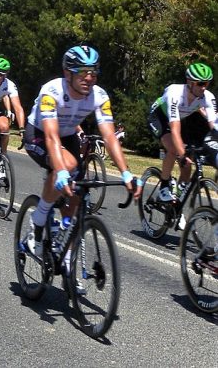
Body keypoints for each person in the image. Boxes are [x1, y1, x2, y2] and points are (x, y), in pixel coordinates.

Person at [23, 45, 139, 258]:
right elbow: (50, 136)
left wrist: (126, 173)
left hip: (67, 136)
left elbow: (110, 137)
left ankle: (64, 249)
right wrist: (61, 170)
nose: (89, 77)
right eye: (83, 72)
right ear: (68, 73)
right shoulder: (52, 91)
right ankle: (38, 220)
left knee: (78, 192)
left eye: (93, 72)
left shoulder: (99, 96)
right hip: (39, 133)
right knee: (66, 166)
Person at [148, 62, 216, 202]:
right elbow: (174, 129)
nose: (204, 88)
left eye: (207, 84)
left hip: (179, 119)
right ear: (189, 82)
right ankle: (164, 187)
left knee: (187, 167)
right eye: (200, 83)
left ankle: (177, 202)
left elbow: (214, 124)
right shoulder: (175, 93)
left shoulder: (207, 97)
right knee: (174, 150)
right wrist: (182, 154)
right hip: (159, 118)